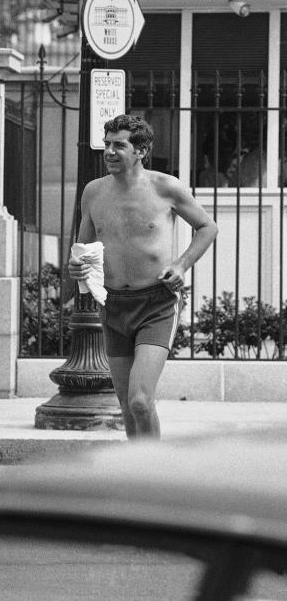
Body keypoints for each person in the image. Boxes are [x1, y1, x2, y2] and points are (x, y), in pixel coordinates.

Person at [68, 115, 217, 440]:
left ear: (141, 150)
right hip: (113, 306)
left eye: (118, 145)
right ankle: (138, 471)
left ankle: (156, 471)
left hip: (156, 305)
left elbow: (208, 227)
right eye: (107, 144)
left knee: (140, 400)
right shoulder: (93, 193)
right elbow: (83, 249)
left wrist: (180, 265)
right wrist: (77, 267)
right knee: (126, 404)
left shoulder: (166, 188)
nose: (109, 151)